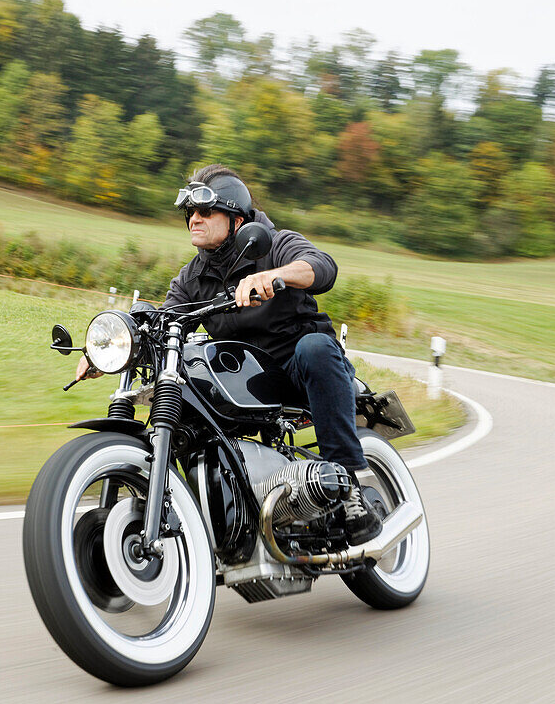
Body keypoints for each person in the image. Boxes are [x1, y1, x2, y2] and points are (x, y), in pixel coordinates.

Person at [76, 164, 381, 545]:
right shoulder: (193, 277)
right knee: (190, 379)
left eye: (205, 212)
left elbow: (321, 267)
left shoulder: (276, 244)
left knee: (315, 347)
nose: (195, 220)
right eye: (190, 213)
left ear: (236, 218)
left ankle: (348, 483)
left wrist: (274, 275)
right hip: (247, 380)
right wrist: (108, 346)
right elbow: (163, 316)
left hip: (299, 368)